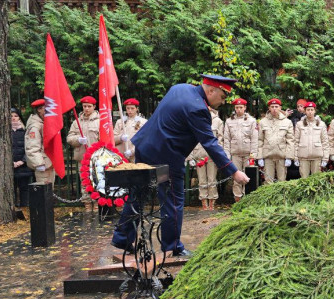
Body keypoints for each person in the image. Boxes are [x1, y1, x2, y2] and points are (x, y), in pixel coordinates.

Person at [111, 74, 250, 256]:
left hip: (145, 147)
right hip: (167, 157)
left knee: (138, 195)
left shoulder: (180, 88)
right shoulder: (198, 109)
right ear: (210, 90)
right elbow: (210, 143)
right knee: (172, 201)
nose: (223, 102)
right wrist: (234, 172)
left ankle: (122, 238)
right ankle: (173, 247)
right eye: (222, 97)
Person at [186, 106, 224, 210]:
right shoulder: (195, 120)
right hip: (199, 154)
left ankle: (212, 202)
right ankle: (204, 202)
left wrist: (218, 155)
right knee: (202, 180)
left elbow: (220, 139)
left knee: (212, 179)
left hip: (212, 154)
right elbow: (191, 139)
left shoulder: (218, 121)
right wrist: (191, 156)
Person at [67, 95, 100, 211]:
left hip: (96, 157)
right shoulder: (77, 122)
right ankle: (87, 203)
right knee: (84, 180)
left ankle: (96, 203)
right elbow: (69, 137)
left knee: (96, 179)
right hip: (82, 156)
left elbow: (104, 139)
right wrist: (78, 139)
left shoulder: (99, 121)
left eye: (89, 106)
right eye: (84, 106)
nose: (86, 108)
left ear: (94, 107)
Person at [222, 98, 258, 202]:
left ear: (245, 108)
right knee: (236, 179)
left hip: (248, 154)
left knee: (248, 177)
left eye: (241, 107)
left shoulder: (251, 121)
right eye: (237, 107)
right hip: (235, 154)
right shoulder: (229, 121)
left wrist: (253, 154)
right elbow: (227, 139)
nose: (239, 110)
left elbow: (254, 138)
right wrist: (227, 154)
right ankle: (238, 200)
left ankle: (248, 201)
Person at [257, 98, 295, 184]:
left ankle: (282, 198)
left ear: (280, 108)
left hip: (281, 155)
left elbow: (290, 140)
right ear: (269, 108)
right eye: (272, 106)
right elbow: (260, 140)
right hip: (268, 156)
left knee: (282, 182)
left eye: (276, 106)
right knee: (268, 182)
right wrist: (260, 157)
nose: (274, 109)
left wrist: (289, 157)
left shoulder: (287, 122)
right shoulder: (263, 122)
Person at [294, 101, 329, 178]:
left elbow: (325, 142)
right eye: (308, 110)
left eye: (312, 110)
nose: (310, 112)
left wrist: (325, 158)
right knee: (304, 180)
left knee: (316, 180)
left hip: (317, 156)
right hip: (303, 157)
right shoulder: (299, 124)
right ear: (305, 111)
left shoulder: (321, 124)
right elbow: (296, 141)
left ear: (315, 111)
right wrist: (295, 158)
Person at [24, 99, 55, 185]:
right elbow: (32, 146)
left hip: (49, 163)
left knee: (49, 192)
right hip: (43, 164)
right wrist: (39, 163)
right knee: (44, 193)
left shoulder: (44, 123)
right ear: (39, 109)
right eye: (46, 108)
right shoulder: (35, 126)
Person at [113, 98, 147, 162]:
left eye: (132, 108)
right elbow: (113, 139)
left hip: (135, 156)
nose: (130, 111)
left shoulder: (143, 122)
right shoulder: (120, 122)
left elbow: (143, 140)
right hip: (120, 156)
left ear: (137, 109)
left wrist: (132, 151)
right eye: (128, 108)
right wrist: (120, 138)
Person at [11, 107, 32, 207]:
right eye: (11, 116)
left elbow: (29, 147)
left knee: (24, 188)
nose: (13, 118)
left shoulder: (25, 131)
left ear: (19, 118)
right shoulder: (4, 132)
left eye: (16, 116)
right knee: (12, 188)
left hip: (23, 165)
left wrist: (22, 161)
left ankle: (25, 208)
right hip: (10, 166)